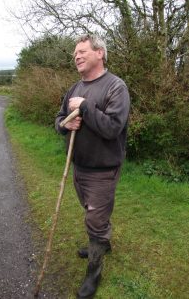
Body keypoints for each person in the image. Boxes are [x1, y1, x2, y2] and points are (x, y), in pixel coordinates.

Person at [55, 34, 130, 298]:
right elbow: (59, 119)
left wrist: (86, 108)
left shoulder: (115, 87)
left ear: (100, 53)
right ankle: (102, 242)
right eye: (75, 53)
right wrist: (65, 124)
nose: (76, 56)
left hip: (102, 169)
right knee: (90, 212)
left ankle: (93, 274)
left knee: (95, 220)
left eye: (82, 51)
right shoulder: (74, 89)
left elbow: (112, 128)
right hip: (78, 167)